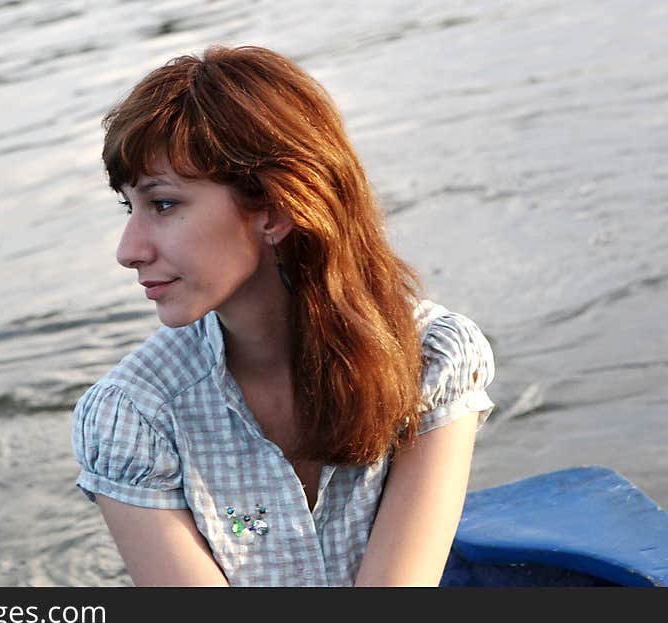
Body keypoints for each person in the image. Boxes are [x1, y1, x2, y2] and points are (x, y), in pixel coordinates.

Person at [70, 45, 495, 586]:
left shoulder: (431, 359)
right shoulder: (133, 418)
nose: (128, 250)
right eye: (130, 208)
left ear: (272, 210)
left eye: (164, 204)